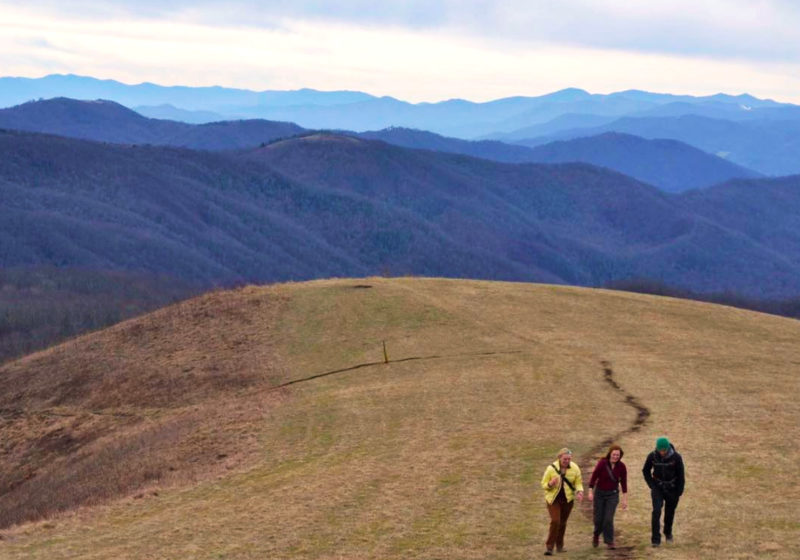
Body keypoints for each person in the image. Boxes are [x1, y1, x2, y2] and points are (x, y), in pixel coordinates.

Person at [642, 436, 685, 547]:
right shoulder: (652, 456)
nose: (662, 452)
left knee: (669, 513)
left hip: (672, 488)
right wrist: (652, 485)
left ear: (667, 448)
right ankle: (655, 540)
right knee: (656, 511)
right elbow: (645, 471)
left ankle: (668, 533)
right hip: (657, 487)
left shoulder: (676, 457)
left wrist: (679, 492)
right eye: (660, 450)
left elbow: (681, 476)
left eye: (664, 450)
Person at [540, 447, 584, 556]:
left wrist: (579, 491)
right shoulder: (551, 469)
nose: (567, 461)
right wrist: (550, 484)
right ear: (559, 458)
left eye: (569, 459)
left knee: (563, 523)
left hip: (568, 500)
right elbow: (543, 484)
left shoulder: (575, 468)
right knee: (555, 521)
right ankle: (549, 547)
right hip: (553, 499)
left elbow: (578, 482)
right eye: (565, 459)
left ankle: (560, 546)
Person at [588, 443, 628, 549]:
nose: (615, 457)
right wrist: (590, 490)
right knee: (598, 519)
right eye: (614, 454)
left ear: (620, 456)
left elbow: (624, 483)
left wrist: (624, 499)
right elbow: (594, 476)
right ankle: (596, 535)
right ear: (610, 454)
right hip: (600, 494)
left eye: (618, 455)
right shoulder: (602, 463)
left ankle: (609, 541)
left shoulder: (622, 467)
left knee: (608, 519)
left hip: (613, 495)